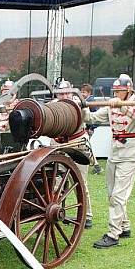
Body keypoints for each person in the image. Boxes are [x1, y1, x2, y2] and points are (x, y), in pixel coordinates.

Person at [83, 74, 135, 249]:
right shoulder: (111, 104)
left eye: (120, 91)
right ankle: (124, 226)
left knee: (119, 195)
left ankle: (113, 234)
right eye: (116, 91)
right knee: (112, 193)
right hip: (115, 152)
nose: (117, 93)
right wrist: (81, 107)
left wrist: (124, 107)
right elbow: (91, 118)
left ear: (129, 90)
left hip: (131, 153)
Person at [52, 80, 94, 229]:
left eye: (67, 92)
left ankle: (87, 216)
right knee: (56, 180)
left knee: (81, 182)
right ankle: (54, 211)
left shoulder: (78, 103)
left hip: (77, 145)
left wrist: (82, 106)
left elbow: (87, 118)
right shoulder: (53, 105)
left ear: (71, 92)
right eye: (61, 93)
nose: (64, 95)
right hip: (59, 145)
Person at [80, 83, 103, 174]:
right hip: (86, 129)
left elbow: (96, 118)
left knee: (87, 148)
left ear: (89, 93)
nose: (82, 93)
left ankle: (96, 166)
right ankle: (96, 165)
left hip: (88, 129)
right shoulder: (86, 101)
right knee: (87, 148)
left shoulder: (91, 103)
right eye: (81, 91)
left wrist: (92, 128)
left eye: (84, 92)